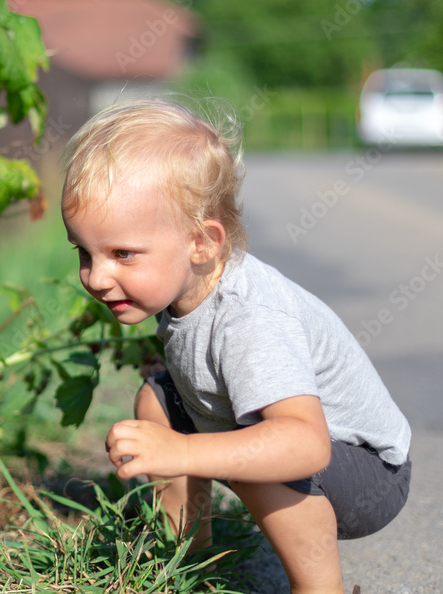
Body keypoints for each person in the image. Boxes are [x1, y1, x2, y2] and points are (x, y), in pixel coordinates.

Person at [59, 98, 412, 593]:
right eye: (84, 252)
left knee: (259, 465)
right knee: (155, 400)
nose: (96, 277)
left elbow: (303, 444)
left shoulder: (248, 320)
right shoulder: (182, 283)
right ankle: (189, 560)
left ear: (202, 242)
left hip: (367, 473)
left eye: (122, 254)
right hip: (304, 448)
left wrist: (183, 451)